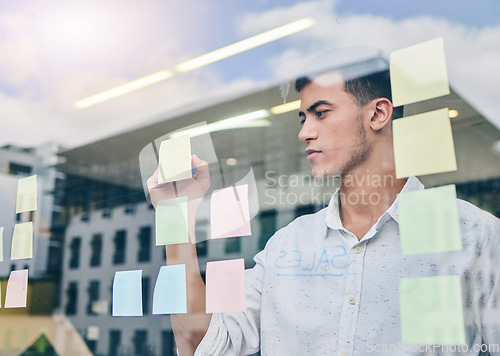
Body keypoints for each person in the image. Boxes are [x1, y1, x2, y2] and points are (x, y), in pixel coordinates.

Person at [147, 59, 500, 355]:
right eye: (303, 118)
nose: (304, 133)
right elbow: (200, 343)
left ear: (378, 114)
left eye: (320, 113)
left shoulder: (475, 235)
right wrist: (175, 214)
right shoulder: (287, 246)